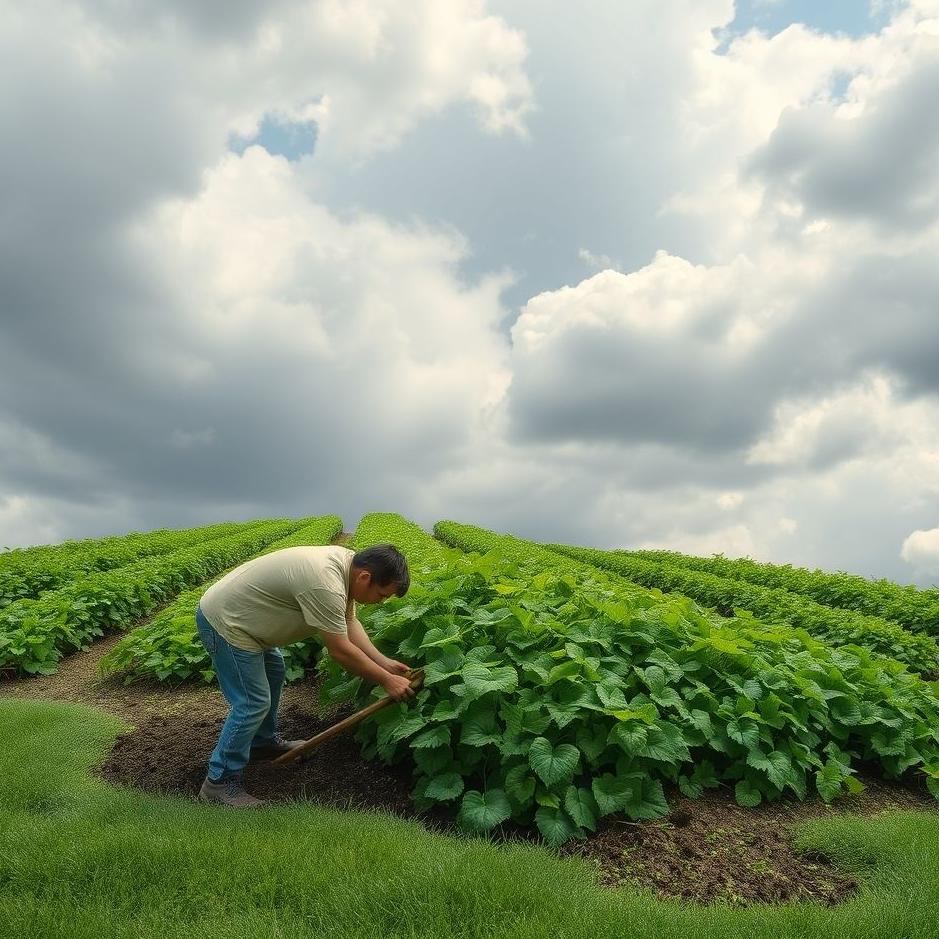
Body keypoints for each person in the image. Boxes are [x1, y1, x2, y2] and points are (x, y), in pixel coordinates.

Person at [195, 542, 413, 807]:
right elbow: (340, 651)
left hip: (246, 623)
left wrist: (384, 662)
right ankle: (219, 782)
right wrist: (386, 680)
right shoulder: (325, 583)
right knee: (252, 702)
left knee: (275, 672)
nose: (380, 602)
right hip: (227, 623)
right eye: (381, 595)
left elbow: (348, 622)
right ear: (365, 577)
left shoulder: (346, 568)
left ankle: (261, 743)